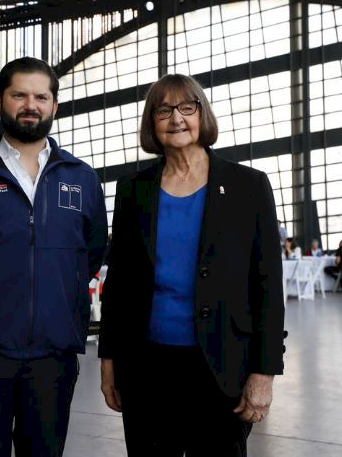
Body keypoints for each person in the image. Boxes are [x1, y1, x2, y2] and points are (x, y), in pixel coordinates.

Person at [99, 73, 284, 456]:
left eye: (187, 107)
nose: (176, 118)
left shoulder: (248, 186)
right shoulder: (133, 189)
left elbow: (267, 285)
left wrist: (264, 373)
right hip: (146, 367)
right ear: (152, 122)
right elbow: (117, 284)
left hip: (220, 366)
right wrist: (108, 361)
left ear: (203, 115)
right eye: (163, 110)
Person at [0, 57, 107, 457]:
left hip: (54, 357)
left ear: (54, 105)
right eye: (19, 95)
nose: (30, 105)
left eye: (41, 96)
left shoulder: (81, 177)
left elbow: (91, 253)